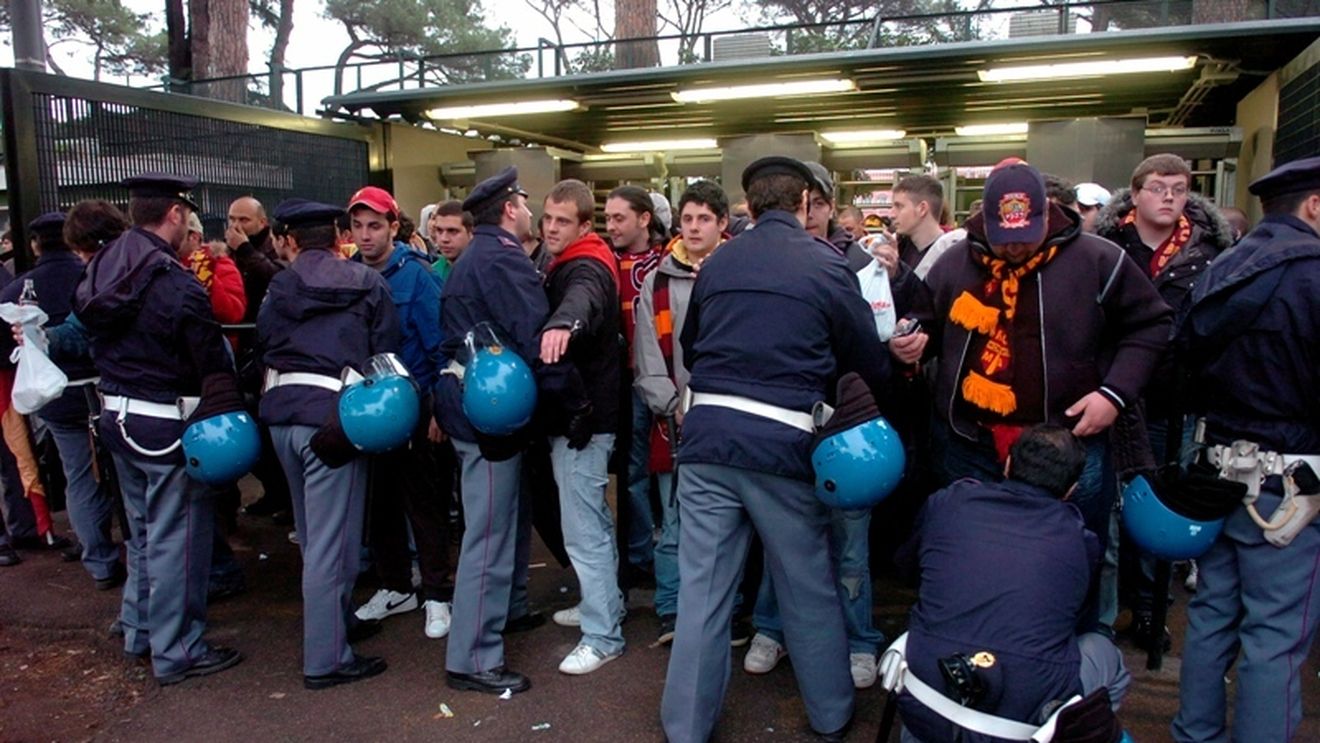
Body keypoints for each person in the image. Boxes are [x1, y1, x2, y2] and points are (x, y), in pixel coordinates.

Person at [660, 156, 891, 742]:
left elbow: (691, 344)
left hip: (707, 439)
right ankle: (831, 714)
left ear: (749, 206)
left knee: (704, 594)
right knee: (806, 585)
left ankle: (685, 725)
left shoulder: (717, 262)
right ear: (807, 202)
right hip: (783, 445)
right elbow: (865, 356)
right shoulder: (826, 264)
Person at [893, 159, 1172, 627]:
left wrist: (1114, 393)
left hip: (1070, 444)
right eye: (1006, 235)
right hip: (971, 443)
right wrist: (909, 344)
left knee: (1073, 557)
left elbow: (1152, 324)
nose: (1017, 245)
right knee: (972, 552)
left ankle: (1071, 650)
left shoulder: (1098, 259)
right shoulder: (955, 261)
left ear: (1048, 215)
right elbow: (924, 322)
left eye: (1027, 232)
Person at [1171, 155, 1320, 743]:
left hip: (1217, 469)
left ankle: (1194, 735)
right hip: (1292, 483)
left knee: (1210, 618)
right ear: (1315, 205)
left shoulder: (1221, 268)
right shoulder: (1314, 276)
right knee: (1275, 637)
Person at [72, 173, 244, 685]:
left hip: (114, 416)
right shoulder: (175, 282)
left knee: (144, 536)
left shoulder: (103, 264)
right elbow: (208, 358)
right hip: (166, 424)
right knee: (179, 543)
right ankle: (179, 651)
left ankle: (140, 630)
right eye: (186, 216)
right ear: (174, 214)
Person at [745, 161, 892, 688]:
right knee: (779, 536)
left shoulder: (858, 263)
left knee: (850, 539)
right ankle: (772, 627)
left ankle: (858, 639)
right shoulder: (755, 258)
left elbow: (870, 353)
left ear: (821, 206)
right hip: (783, 427)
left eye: (812, 204)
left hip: (843, 425)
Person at [894, 424, 1130, 743]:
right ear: (1071, 490)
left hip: (922, 704)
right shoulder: (1080, 540)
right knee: (1105, 653)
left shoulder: (949, 502)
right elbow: (1072, 617)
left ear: (1007, 465)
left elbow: (907, 567)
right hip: (1022, 726)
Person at [258, 198, 399, 689]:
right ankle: (326, 658)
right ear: (340, 233)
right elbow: (385, 351)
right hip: (336, 419)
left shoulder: (279, 285)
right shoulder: (368, 283)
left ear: (290, 240)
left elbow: (263, 343)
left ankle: (337, 623)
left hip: (280, 416)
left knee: (311, 536)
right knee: (333, 544)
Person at [1095, 153, 1234, 647]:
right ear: (1136, 194)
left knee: (1161, 512)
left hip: (1174, 400)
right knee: (1108, 515)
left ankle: (1153, 608)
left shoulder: (1212, 252)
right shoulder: (1105, 247)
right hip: (1112, 395)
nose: (1169, 196)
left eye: (1178, 187)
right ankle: (1105, 617)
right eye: (1158, 187)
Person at [436, 166, 546, 695]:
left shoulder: (473, 257)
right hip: (492, 409)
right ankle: (474, 657)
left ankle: (507, 611)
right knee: (490, 534)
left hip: (471, 403)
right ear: (508, 208)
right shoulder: (502, 257)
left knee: (503, 519)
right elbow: (533, 331)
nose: (529, 209)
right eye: (523, 201)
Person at [345, 186, 452, 641]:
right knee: (380, 503)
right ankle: (394, 586)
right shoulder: (347, 274)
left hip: (416, 402)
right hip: (368, 409)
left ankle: (436, 593)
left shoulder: (418, 277)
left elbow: (439, 345)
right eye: (357, 226)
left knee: (425, 505)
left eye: (375, 226)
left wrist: (437, 411)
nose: (365, 235)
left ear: (394, 227)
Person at [633, 179, 729, 645]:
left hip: (727, 419)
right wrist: (672, 405)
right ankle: (671, 608)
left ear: (722, 223)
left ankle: (724, 611)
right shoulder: (658, 279)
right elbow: (648, 353)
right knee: (673, 521)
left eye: (704, 219)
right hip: (674, 422)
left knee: (727, 524)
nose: (693, 227)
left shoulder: (739, 270)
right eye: (687, 218)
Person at [537, 179, 625, 674]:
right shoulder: (578, 257)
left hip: (584, 420)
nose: (551, 228)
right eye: (548, 218)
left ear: (584, 226)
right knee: (589, 523)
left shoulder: (586, 263)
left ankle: (603, 634)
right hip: (585, 416)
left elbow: (584, 299)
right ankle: (603, 609)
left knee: (584, 529)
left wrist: (562, 324)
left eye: (563, 221)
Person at [0, 213, 113, 584]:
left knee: (77, 474)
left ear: (34, 244)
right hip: (105, 388)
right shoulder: (95, 275)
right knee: (128, 475)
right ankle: (139, 554)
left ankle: (98, 559)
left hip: (54, 396)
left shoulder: (16, 288)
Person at [604, 185, 668, 589]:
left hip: (663, 378)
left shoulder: (669, 260)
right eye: (607, 218)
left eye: (618, 218)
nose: (610, 226)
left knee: (669, 471)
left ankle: (670, 552)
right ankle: (641, 554)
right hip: (625, 383)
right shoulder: (605, 262)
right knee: (632, 473)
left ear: (644, 219)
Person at [889, 174, 966, 280]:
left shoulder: (955, 259)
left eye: (899, 206)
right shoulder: (897, 249)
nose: (891, 215)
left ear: (922, 209)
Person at [430, 199, 473, 282]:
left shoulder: (486, 272)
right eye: (439, 230)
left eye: (452, 231)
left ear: (471, 233)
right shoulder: (430, 274)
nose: (444, 239)